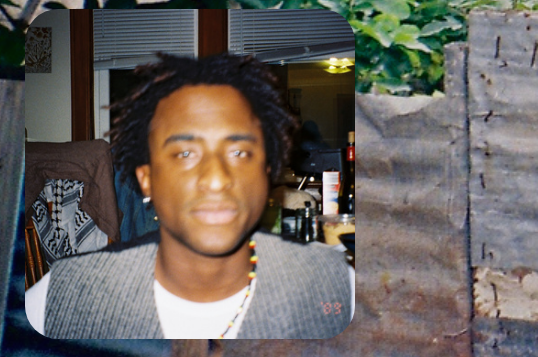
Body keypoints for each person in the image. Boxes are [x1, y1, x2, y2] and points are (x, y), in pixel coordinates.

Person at [26, 52, 353, 339]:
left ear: (267, 173)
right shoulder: (57, 301)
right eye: (185, 154)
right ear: (147, 180)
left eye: (239, 152)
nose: (216, 179)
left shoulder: (337, 289)